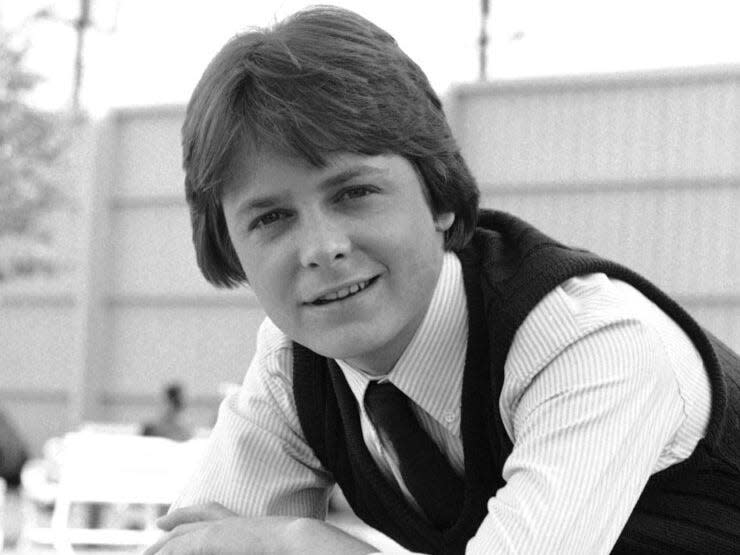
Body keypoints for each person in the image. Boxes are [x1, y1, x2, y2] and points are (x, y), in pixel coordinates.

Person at [145, 6, 740, 554]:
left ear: (440, 200)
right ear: (231, 247)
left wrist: (302, 544)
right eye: (271, 218)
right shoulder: (292, 363)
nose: (322, 249)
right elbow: (198, 545)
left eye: (355, 193)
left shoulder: (590, 340)